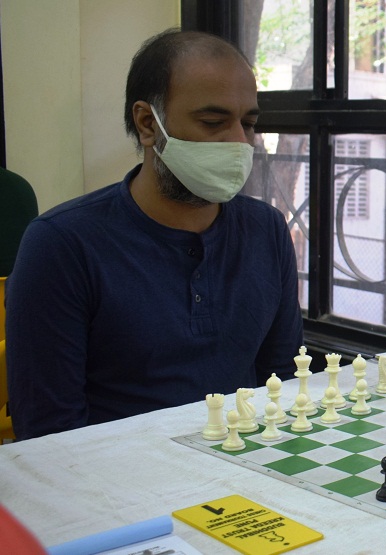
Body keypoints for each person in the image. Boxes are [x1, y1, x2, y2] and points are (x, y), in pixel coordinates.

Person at [5, 30, 303, 440]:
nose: (238, 142)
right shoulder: (62, 245)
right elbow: (47, 432)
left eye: (248, 123)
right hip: (115, 485)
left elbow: (284, 385)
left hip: (245, 468)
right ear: (148, 124)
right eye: (213, 122)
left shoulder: (266, 229)